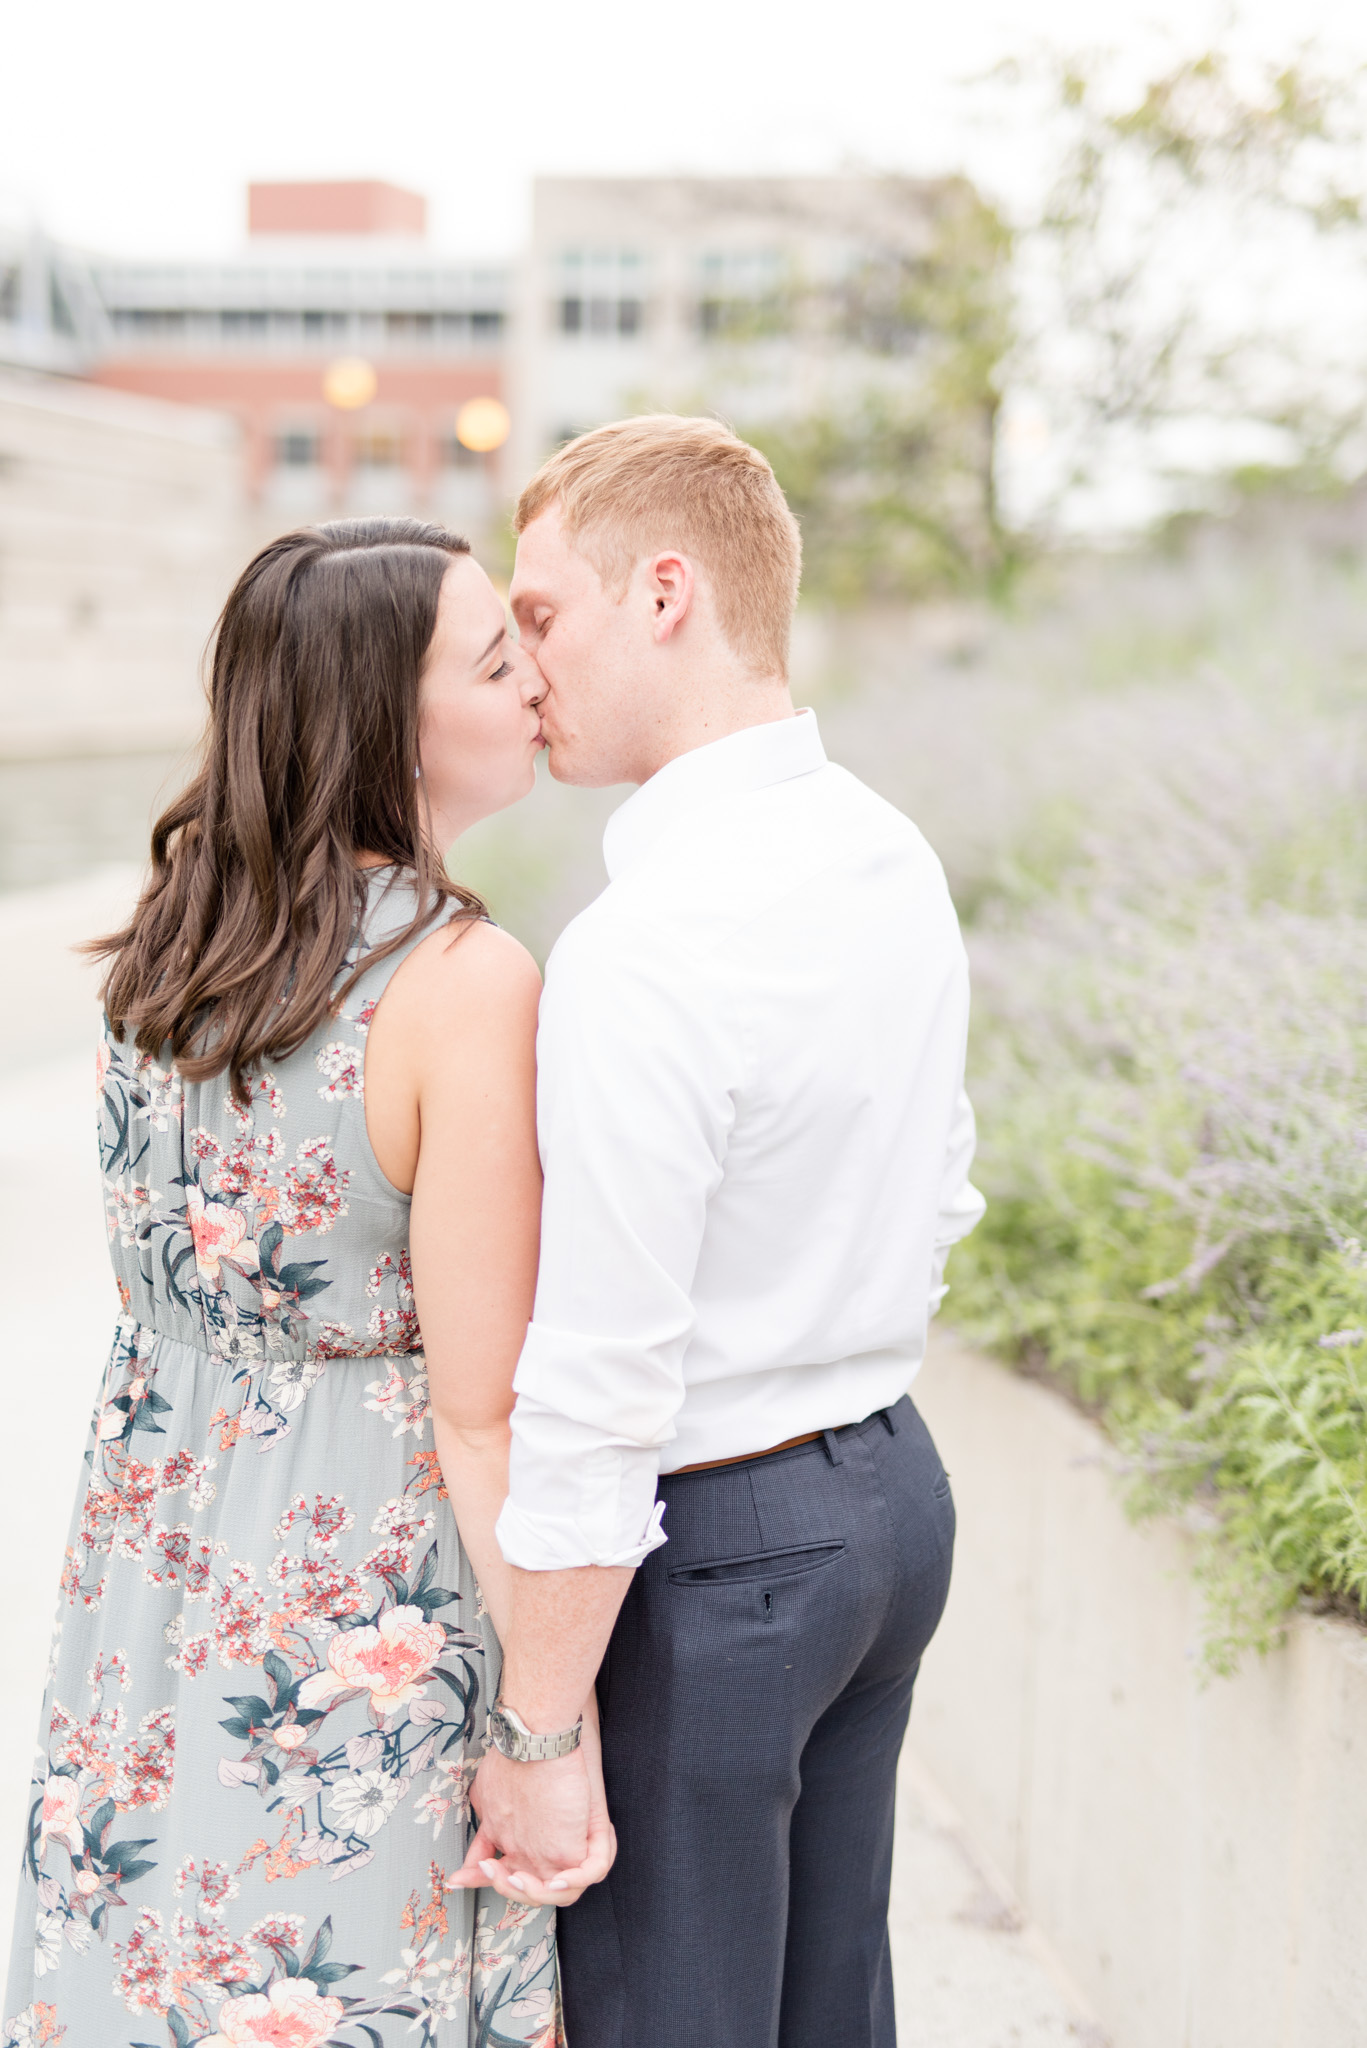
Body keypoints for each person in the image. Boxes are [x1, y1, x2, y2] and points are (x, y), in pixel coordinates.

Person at [2, 519, 607, 2048]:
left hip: (155, 1576)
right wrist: (550, 1728)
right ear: (377, 721)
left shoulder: (165, 953)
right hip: (355, 1616)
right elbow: (480, 1418)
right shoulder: (464, 987)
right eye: (493, 656)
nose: (537, 676)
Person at [450, 416, 986, 2048]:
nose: (523, 664)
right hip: (891, 1501)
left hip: (732, 1552)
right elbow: (945, 1179)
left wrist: (537, 1736)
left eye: (541, 615)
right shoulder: (887, 850)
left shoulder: (646, 947)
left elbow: (601, 1382)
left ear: (665, 591)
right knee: (834, 2012)